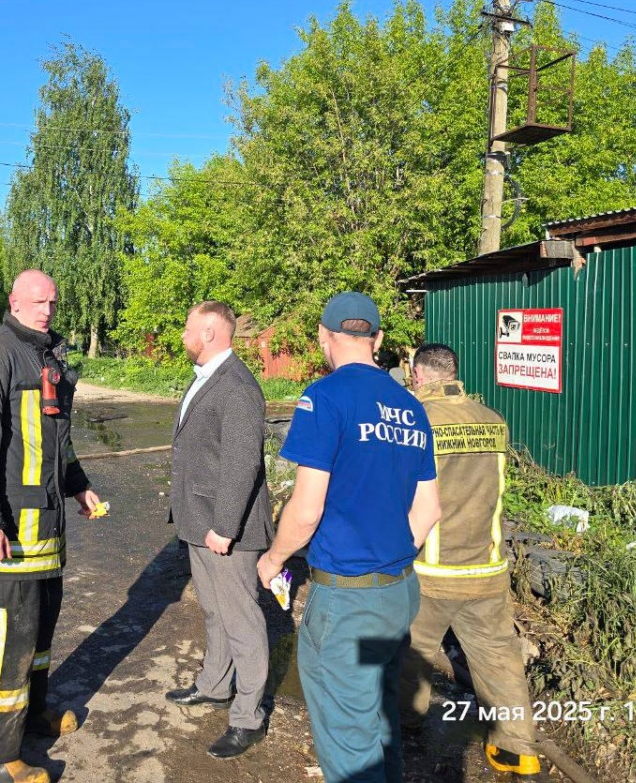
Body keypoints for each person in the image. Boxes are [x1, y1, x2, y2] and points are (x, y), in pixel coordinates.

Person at [257, 292, 442, 783]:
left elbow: (307, 508)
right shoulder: (411, 406)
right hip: (399, 589)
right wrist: (389, 554)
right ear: (378, 339)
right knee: (380, 719)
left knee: (348, 739)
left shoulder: (324, 398)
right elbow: (429, 509)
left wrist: (274, 559)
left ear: (324, 335)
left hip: (348, 599)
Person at [0, 269, 104, 783]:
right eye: (37, 302)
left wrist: (78, 484)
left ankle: (31, 717)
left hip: (47, 529)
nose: (46, 310)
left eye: (53, 303)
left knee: (38, 634)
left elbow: (57, 440)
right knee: (6, 641)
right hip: (10, 532)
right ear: (14, 301)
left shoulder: (48, 356)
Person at [401, 343, 542, 777]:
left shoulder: (417, 421)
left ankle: (405, 723)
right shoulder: (494, 421)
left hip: (432, 571)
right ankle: (518, 748)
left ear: (420, 375)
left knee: (412, 651)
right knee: (499, 656)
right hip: (488, 567)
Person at [164, 301, 274, 759]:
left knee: (242, 620)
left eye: (189, 327)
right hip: (200, 524)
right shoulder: (206, 378)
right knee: (213, 611)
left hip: (225, 530)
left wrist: (225, 527)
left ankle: (248, 718)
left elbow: (241, 464)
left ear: (209, 331)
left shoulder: (237, 388)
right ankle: (213, 684)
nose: (183, 334)